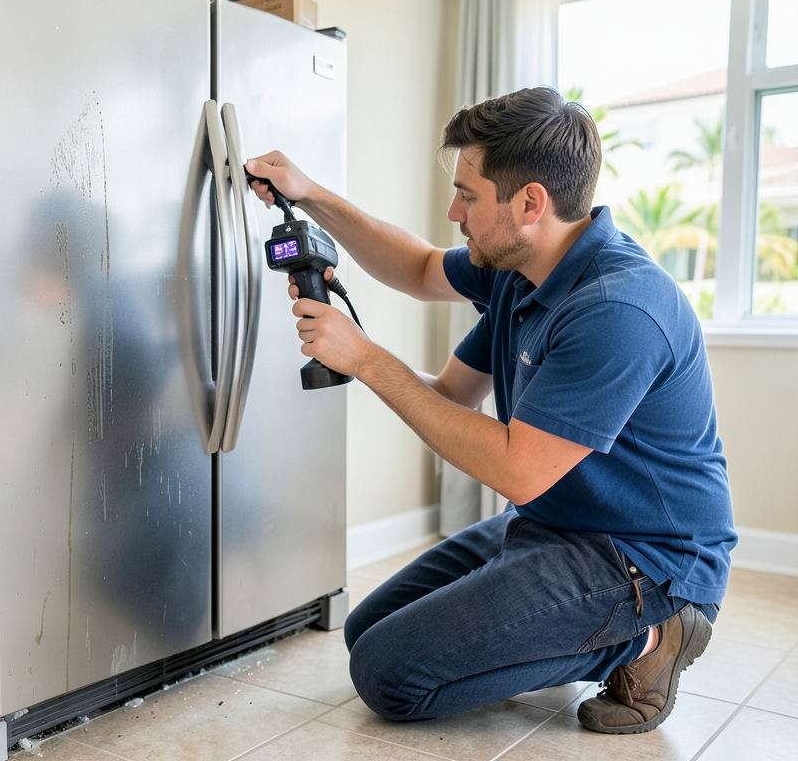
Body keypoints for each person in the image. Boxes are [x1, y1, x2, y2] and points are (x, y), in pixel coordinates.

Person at [245, 86, 735, 735]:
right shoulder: (518, 270)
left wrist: (368, 359)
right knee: (366, 628)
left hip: (645, 560)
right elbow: (422, 286)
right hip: (555, 523)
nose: (454, 212)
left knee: (391, 675)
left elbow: (518, 470)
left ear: (530, 202)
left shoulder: (616, 308)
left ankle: (651, 640)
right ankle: (553, 630)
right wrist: (312, 197)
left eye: (468, 195)